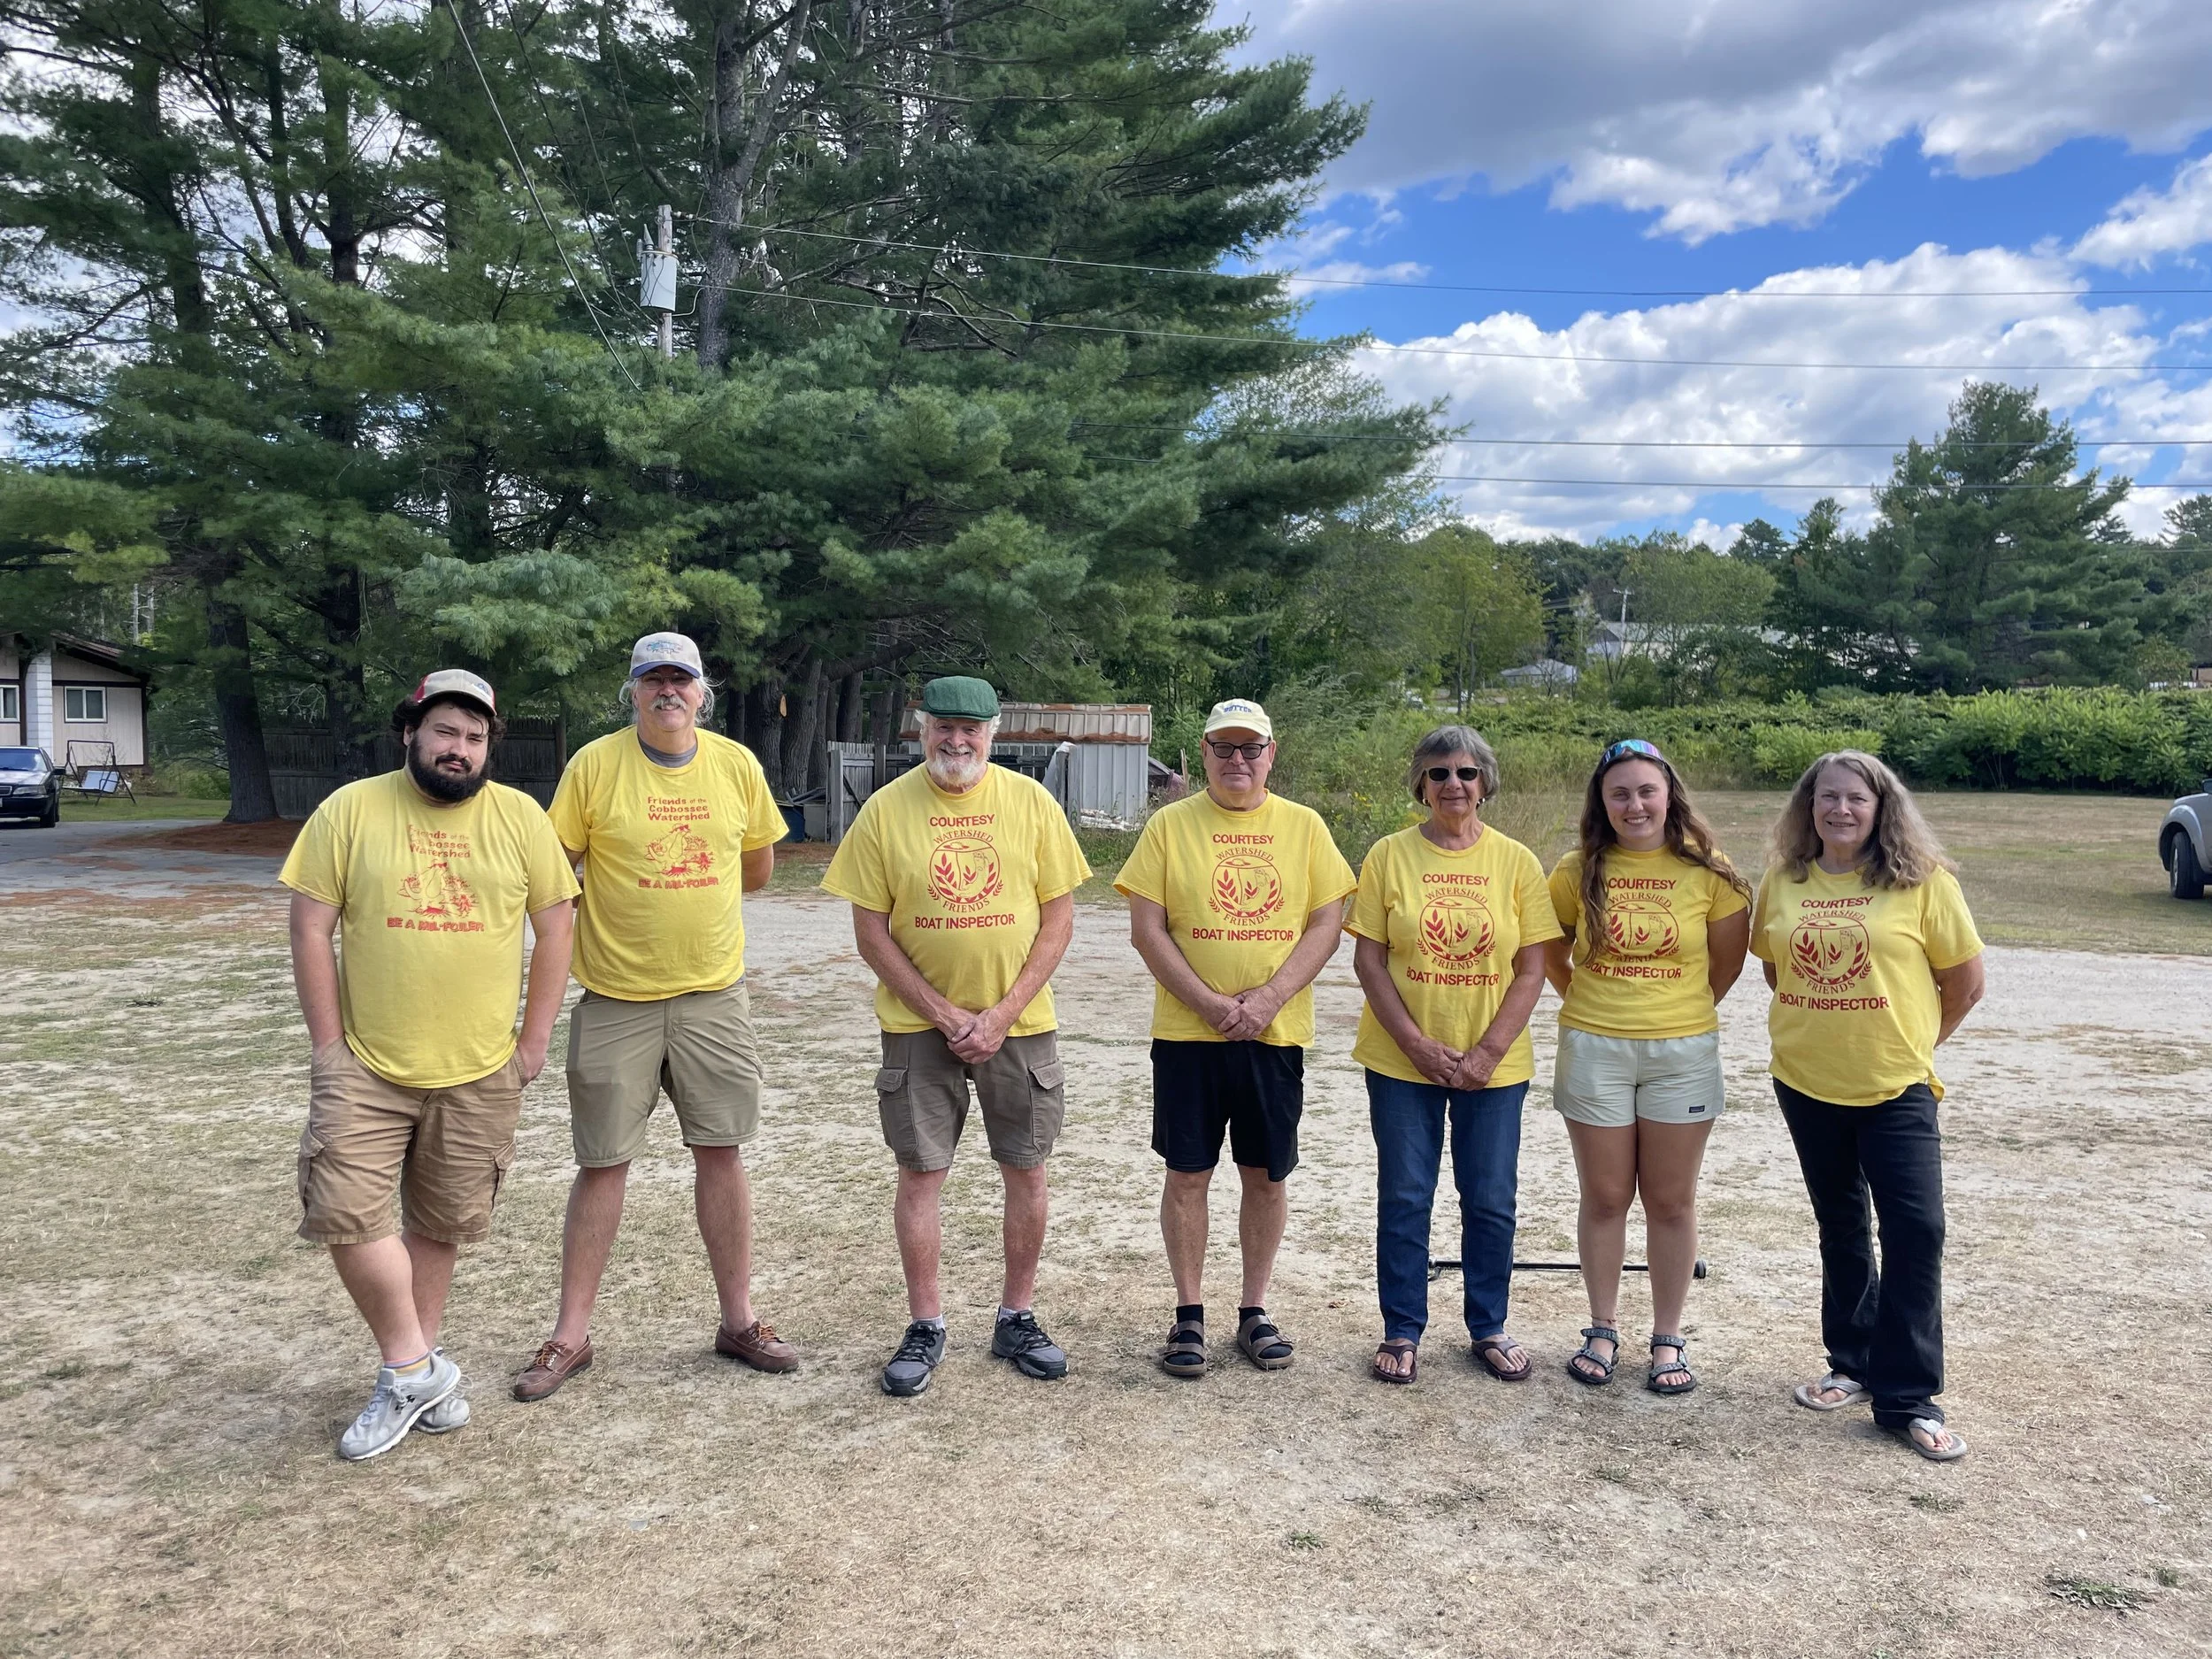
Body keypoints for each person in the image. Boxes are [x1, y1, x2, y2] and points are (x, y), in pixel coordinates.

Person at [280, 670, 578, 1460]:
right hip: (367, 1065)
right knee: (346, 1214)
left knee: (440, 1225)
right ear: (410, 730)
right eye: (446, 731)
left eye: (476, 737)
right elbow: (310, 927)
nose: (460, 749)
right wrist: (328, 1046)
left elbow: (557, 929)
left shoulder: (519, 818)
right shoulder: (350, 809)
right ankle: (416, 1365)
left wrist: (533, 1043)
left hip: (480, 1069)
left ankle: (409, 1375)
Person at [512, 632, 795, 1403]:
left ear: (704, 692)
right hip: (616, 1002)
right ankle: (570, 1335)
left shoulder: (736, 764)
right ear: (632, 691)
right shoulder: (594, 767)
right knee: (602, 1162)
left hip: (713, 998)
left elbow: (759, 865)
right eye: (653, 679)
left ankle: (739, 1321)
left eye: (681, 679)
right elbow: (552, 868)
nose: (668, 691)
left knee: (722, 1151)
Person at [821, 676, 1091, 1397]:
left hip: (1022, 1025)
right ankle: (926, 1323)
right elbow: (870, 930)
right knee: (921, 1173)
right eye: (944, 726)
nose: (957, 740)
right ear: (922, 729)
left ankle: (1018, 1315)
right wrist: (944, 1012)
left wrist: (1001, 1013)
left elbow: (1059, 920)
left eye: (971, 729)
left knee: (1026, 1168)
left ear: (994, 733)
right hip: (917, 1027)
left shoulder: (1031, 803)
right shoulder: (885, 810)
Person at [1752, 750, 1985, 1463]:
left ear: (1882, 808)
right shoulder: (1785, 880)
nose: (1841, 810)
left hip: (1896, 1089)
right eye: (1828, 798)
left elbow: (1966, 983)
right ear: (1808, 807)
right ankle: (1851, 1360)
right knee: (1842, 1223)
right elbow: (1774, 967)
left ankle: (1907, 1394)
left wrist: (1912, 1044)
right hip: (1806, 1082)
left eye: (1856, 798)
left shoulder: (1923, 883)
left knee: (1917, 1230)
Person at [1118, 698, 1356, 1379]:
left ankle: (1254, 1310)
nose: (1238, 761)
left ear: (1271, 754)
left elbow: (1326, 924)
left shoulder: (1305, 828)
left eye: (1251, 748)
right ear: (1204, 751)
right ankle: (1188, 1314)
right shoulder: (1169, 827)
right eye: (1224, 747)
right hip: (1189, 1037)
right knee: (1188, 1173)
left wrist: (1269, 998)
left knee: (1266, 1173)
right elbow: (1147, 928)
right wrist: (1211, 1002)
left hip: (1274, 1036)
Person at [1348, 726, 1559, 1386]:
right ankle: (1402, 1326)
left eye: (1466, 773)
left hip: (1494, 1065)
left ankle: (1488, 1324)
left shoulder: (1518, 863)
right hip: (1400, 1060)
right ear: (1420, 783)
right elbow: (1369, 958)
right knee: (1407, 1194)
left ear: (1485, 782)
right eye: (1438, 773)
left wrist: (1489, 1050)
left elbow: (1533, 966)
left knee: (1491, 1198)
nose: (1453, 785)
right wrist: (1415, 1042)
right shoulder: (1388, 855)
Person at [1542, 739, 1749, 1394]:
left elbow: (1727, 963)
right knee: (1605, 1197)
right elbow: (1551, 952)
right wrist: (1596, 1004)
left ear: (1669, 795)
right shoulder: (1577, 869)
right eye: (1620, 793)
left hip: (1681, 1054)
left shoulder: (1710, 871)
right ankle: (1602, 1327)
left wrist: (1674, 1010)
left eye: (1646, 790)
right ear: (1602, 803)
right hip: (1595, 1048)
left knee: (1670, 1199)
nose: (1634, 804)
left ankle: (1667, 1337)